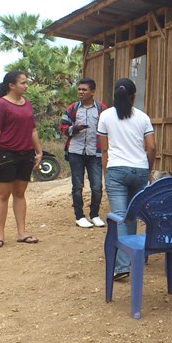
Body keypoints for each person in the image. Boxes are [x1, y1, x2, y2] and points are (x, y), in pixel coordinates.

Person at [98, 78, 155, 281]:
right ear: (133, 96)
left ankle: (122, 266)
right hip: (139, 170)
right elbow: (151, 147)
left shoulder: (105, 116)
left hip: (116, 169)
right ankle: (133, 255)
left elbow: (104, 149)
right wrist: (149, 169)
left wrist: (106, 173)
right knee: (132, 215)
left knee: (120, 216)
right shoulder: (143, 117)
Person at [0, 71, 43, 248]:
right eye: (22, 83)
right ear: (11, 85)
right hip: (6, 154)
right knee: (3, 194)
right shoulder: (1, 104)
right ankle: (0, 235)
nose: (26, 86)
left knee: (20, 193)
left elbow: (32, 130)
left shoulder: (27, 103)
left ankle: (22, 233)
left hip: (26, 154)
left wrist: (39, 151)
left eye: (26, 82)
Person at [60, 78, 107, 228]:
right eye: (79, 89)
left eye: (84, 89)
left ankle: (94, 215)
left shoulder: (102, 109)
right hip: (76, 152)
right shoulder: (72, 108)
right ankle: (79, 216)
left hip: (95, 153)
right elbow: (63, 128)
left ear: (92, 92)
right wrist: (75, 128)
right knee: (77, 186)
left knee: (97, 187)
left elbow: (108, 129)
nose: (80, 92)